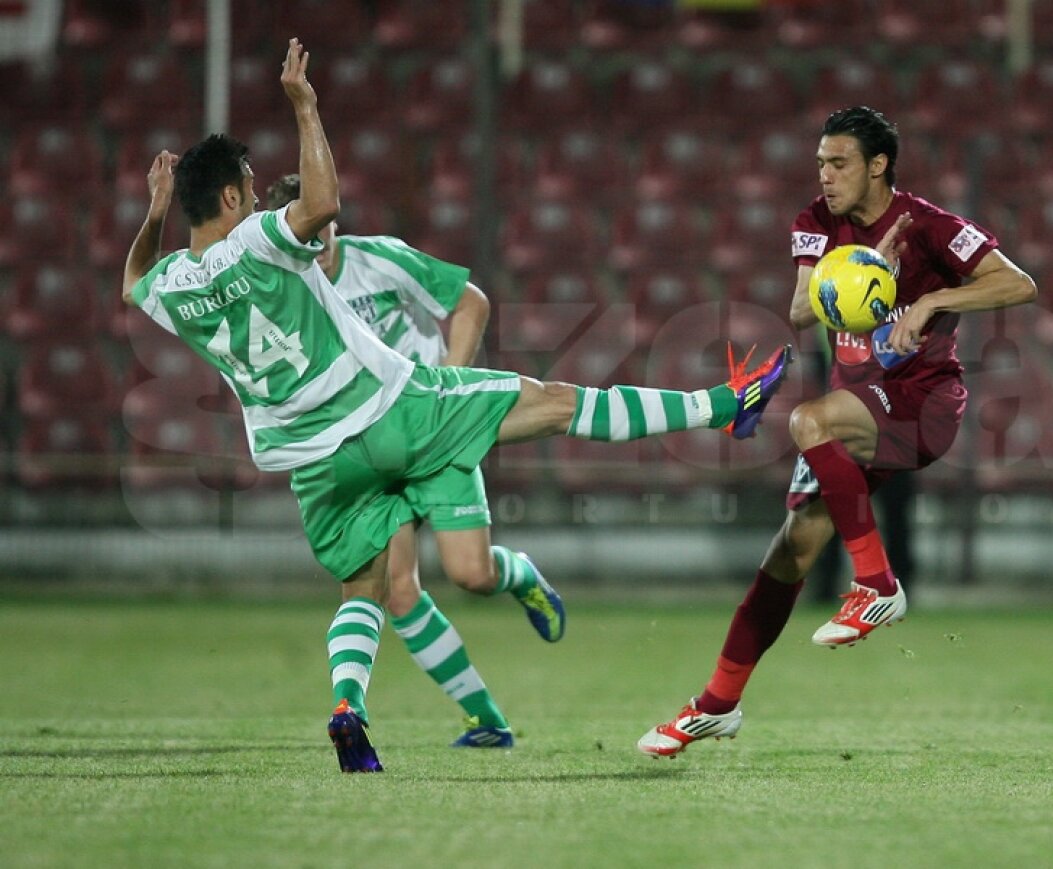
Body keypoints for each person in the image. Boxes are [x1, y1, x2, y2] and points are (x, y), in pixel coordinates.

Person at [122, 39, 792, 773]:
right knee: (554, 401)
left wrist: (152, 213)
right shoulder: (258, 239)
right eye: (247, 186)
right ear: (231, 198)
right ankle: (725, 405)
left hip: (309, 459)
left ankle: (349, 703)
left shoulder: (174, 288)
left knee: (366, 588)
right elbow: (323, 204)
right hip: (390, 410)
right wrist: (306, 108)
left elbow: (132, 281)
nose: (253, 196)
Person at [638, 105, 1037, 757]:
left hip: (923, 402)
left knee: (806, 418)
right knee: (790, 552)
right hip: (861, 406)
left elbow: (1018, 284)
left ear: (878, 165)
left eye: (840, 162)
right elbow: (800, 309)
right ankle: (716, 704)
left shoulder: (928, 225)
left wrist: (935, 300)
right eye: (820, 161)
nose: (825, 174)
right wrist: (854, 269)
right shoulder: (815, 224)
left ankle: (877, 584)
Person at [263, 171, 522, 750]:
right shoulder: (280, 286)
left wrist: (451, 381)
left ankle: (518, 572)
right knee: (396, 589)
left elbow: (470, 300)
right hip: (366, 444)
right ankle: (487, 721)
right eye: (307, 232)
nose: (321, 241)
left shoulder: (378, 259)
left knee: (472, 575)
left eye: (325, 227)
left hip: (425, 423)